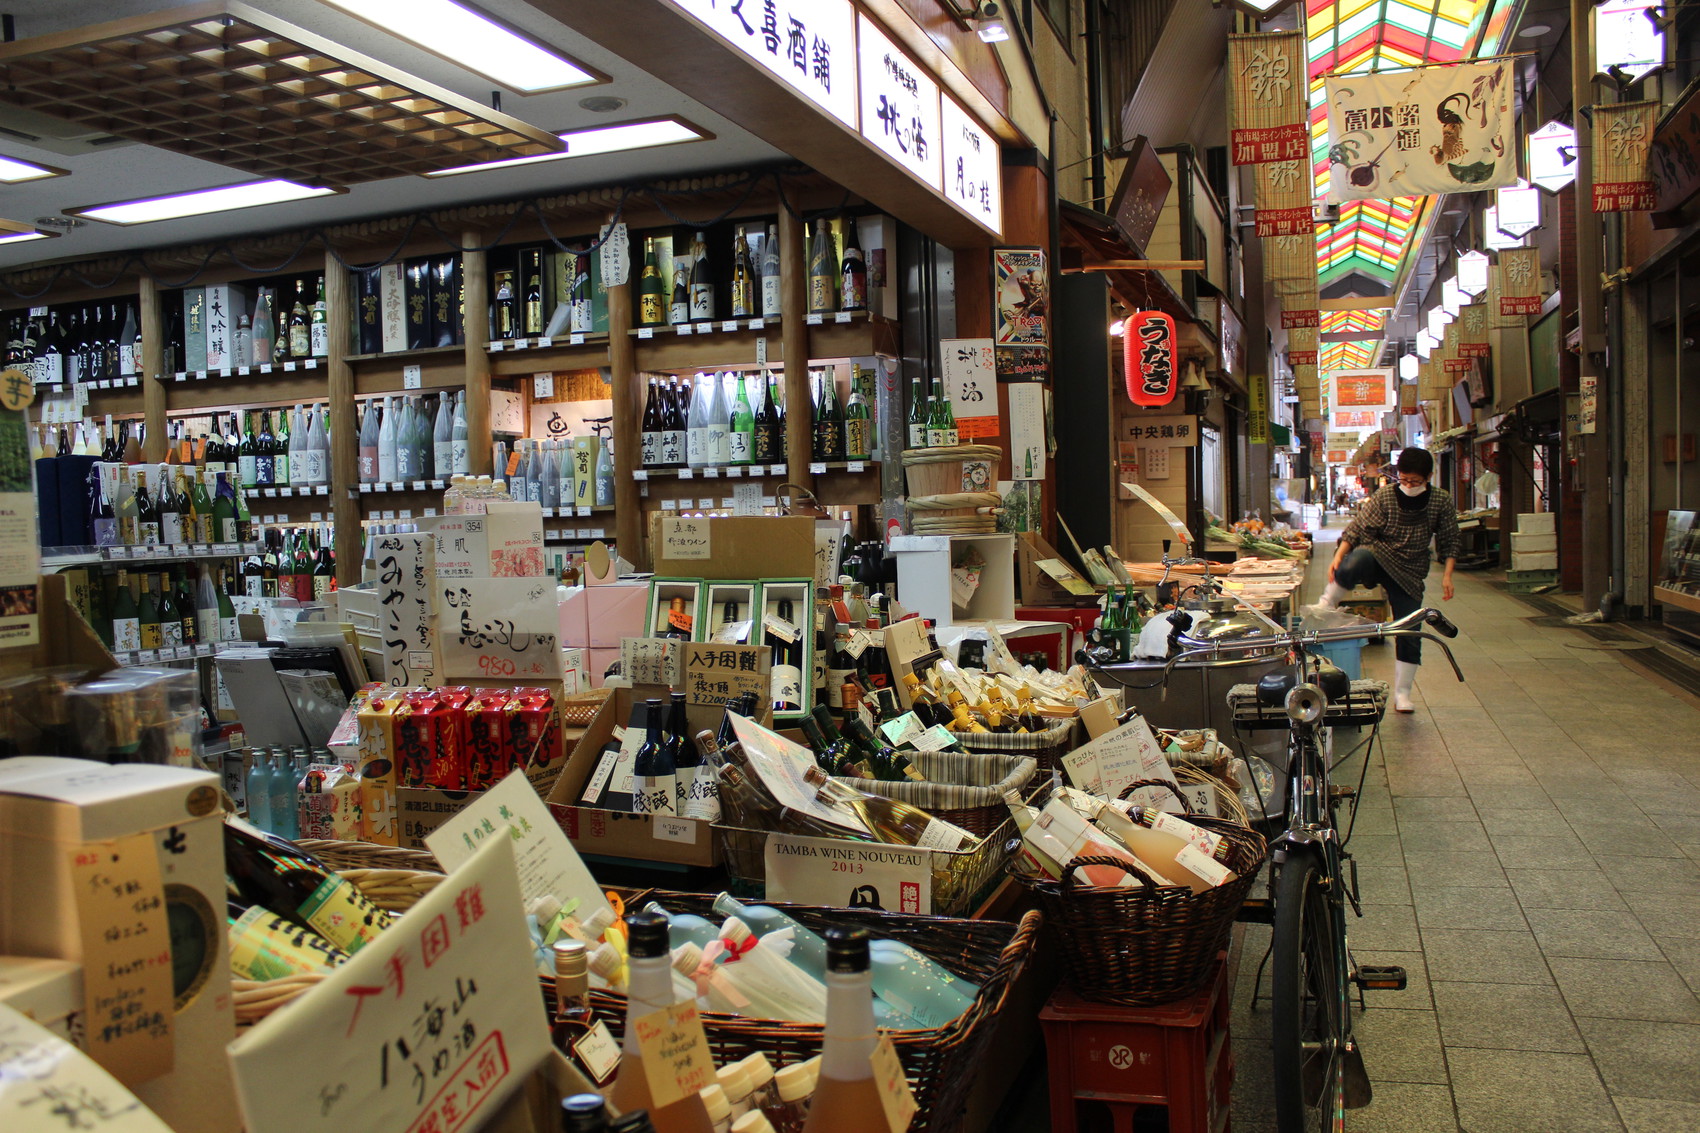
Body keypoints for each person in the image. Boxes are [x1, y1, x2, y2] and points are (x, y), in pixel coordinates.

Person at [1316, 447, 1460, 713]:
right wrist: (1339, 557)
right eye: (1404, 480)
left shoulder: (1441, 500)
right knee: (1359, 557)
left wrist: (1448, 576)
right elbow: (1358, 528)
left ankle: (1403, 694)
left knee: (1410, 630)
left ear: (1429, 476)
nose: (1408, 486)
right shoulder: (1385, 496)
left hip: (1410, 570)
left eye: (1415, 482)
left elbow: (1450, 540)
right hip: (1379, 557)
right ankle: (1327, 602)